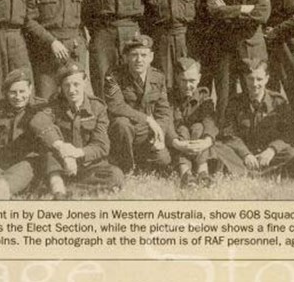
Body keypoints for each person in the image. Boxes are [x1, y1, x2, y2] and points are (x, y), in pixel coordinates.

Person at [29, 61, 123, 198]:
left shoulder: (97, 107)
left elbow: (102, 146)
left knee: (115, 176)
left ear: (85, 82)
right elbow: (38, 121)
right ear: (61, 87)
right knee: (48, 152)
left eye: (76, 84)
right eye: (67, 85)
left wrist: (76, 153)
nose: (71, 90)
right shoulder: (55, 105)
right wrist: (62, 148)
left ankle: (66, 189)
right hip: (61, 163)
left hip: (87, 165)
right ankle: (59, 189)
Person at [206, 0, 270, 124]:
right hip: (225, 48)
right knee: (225, 97)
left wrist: (229, 10)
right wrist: (244, 8)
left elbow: (262, 15)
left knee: (254, 92)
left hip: (251, 48)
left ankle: (256, 134)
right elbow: (213, 10)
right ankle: (226, 135)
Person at [25, 0, 87, 98]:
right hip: (47, 51)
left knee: (75, 96)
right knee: (47, 98)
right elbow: (29, 20)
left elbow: (85, 16)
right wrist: (51, 42)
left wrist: (82, 42)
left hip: (74, 50)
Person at [218, 58, 294, 177]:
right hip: (245, 155)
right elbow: (229, 134)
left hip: (268, 155)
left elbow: (288, 133)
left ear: (267, 79)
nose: (254, 84)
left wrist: (272, 150)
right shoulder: (235, 102)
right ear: (244, 79)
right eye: (250, 79)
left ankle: (247, 173)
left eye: (259, 79)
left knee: (292, 153)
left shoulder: (278, 102)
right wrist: (245, 154)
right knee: (218, 147)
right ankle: (263, 173)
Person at [104, 34, 172, 175]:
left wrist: (160, 134)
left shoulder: (158, 77)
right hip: (124, 131)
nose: (139, 60)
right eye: (134, 55)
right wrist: (147, 119)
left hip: (147, 132)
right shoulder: (113, 75)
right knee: (121, 124)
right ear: (126, 57)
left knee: (163, 160)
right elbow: (116, 106)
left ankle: (140, 162)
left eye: (143, 55)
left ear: (151, 57)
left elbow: (164, 112)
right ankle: (125, 167)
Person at [143, 0, 199, 90]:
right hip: (161, 41)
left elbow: (200, 19)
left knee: (186, 80)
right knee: (163, 82)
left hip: (186, 41)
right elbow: (144, 20)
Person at [0, 66, 45, 200]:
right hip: (0, 161)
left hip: (27, 161)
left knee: (4, 186)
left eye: (22, 91)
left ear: (30, 89)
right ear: (6, 92)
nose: (18, 97)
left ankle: (3, 189)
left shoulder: (40, 108)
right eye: (13, 92)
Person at [168, 57, 217, 187]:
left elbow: (209, 120)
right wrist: (178, 143)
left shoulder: (203, 96)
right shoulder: (169, 97)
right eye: (183, 80)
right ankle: (185, 172)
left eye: (192, 81)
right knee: (182, 129)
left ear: (199, 78)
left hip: (198, 138)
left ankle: (203, 171)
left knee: (199, 127)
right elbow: (168, 121)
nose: (188, 85)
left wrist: (206, 141)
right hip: (177, 140)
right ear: (177, 78)